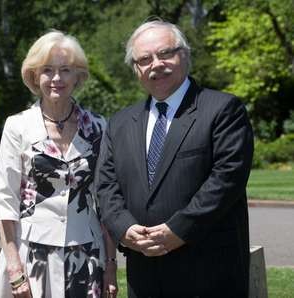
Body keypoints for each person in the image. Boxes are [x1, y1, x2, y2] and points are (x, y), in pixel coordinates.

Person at [96, 20, 254, 297]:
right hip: (144, 274)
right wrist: (125, 229)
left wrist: (177, 230)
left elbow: (227, 179)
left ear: (185, 55)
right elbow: (106, 187)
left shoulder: (223, 109)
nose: (156, 64)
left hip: (209, 272)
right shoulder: (119, 123)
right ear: (136, 69)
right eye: (144, 59)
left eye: (165, 53)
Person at [0, 31, 118, 298]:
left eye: (65, 70)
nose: (57, 78)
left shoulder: (98, 126)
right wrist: (14, 269)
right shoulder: (18, 126)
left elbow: (106, 200)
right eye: (47, 70)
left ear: (78, 76)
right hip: (30, 256)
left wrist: (110, 265)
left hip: (87, 253)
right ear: (35, 76)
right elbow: (5, 202)